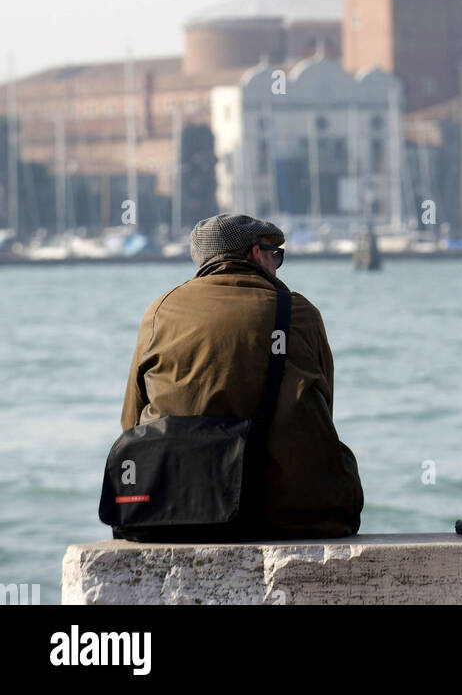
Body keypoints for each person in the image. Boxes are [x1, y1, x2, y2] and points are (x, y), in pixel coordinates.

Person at [121, 212, 363, 538]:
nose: (276, 265)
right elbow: (324, 409)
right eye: (274, 255)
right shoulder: (299, 313)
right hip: (295, 515)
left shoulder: (159, 311)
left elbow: (130, 422)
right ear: (255, 253)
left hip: (177, 511)